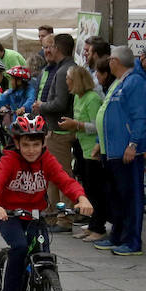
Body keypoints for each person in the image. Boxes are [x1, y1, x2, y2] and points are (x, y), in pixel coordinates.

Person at [0, 115, 93, 291]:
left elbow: (65, 180)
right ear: (17, 143)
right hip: (9, 215)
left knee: (44, 256)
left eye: (36, 144)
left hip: (36, 215)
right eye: (26, 145)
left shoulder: (47, 160)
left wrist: (81, 198)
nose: (31, 150)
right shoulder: (10, 160)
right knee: (19, 247)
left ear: (44, 142)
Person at [94, 46, 146, 256]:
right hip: (113, 151)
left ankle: (132, 241)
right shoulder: (121, 82)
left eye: (110, 59)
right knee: (118, 197)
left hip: (126, 151)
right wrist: (100, 142)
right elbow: (107, 113)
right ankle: (118, 236)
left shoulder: (134, 82)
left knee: (130, 198)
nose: (108, 62)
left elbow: (141, 116)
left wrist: (133, 144)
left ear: (115, 62)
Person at [57, 63, 108, 242]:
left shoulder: (92, 99)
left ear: (77, 81)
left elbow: (97, 126)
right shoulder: (78, 97)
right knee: (87, 189)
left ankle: (99, 228)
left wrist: (76, 125)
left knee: (95, 191)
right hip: (81, 148)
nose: (66, 82)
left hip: (92, 150)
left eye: (68, 79)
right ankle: (92, 225)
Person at [34, 33, 78, 229]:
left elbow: (60, 103)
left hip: (59, 132)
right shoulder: (64, 68)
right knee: (53, 176)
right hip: (55, 130)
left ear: (57, 48)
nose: (47, 50)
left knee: (61, 176)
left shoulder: (63, 71)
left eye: (50, 46)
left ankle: (64, 218)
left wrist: (42, 105)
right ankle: (54, 215)